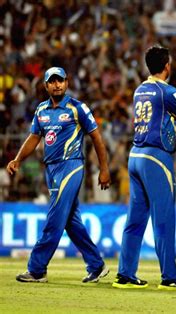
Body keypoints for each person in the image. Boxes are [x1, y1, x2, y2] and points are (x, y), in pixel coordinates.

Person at [113, 46, 176, 290]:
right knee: (164, 219)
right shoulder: (166, 92)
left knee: (135, 219)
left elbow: (164, 115)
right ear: (167, 65)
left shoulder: (140, 90)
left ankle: (125, 273)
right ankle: (170, 276)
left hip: (135, 155)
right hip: (156, 158)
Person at [8, 67, 111, 283]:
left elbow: (96, 137)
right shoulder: (41, 110)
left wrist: (104, 168)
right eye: (52, 81)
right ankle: (96, 265)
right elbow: (33, 138)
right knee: (70, 221)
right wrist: (18, 159)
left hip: (71, 166)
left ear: (67, 82)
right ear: (46, 85)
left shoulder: (77, 107)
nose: (57, 85)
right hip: (51, 168)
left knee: (55, 217)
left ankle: (37, 269)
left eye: (60, 81)